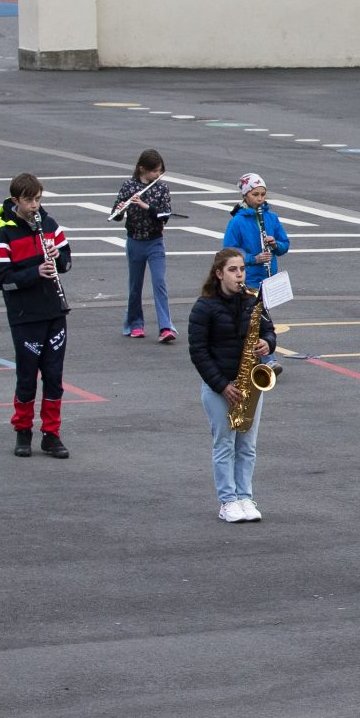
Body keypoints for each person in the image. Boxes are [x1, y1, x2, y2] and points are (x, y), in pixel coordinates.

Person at [0, 171, 74, 459]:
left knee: (54, 375)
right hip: (25, 314)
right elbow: (1, 279)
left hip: (54, 310)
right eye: (29, 201)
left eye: (38, 199)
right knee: (27, 375)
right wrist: (33, 273)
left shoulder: (50, 225)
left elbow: (66, 262)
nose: (35, 206)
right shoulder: (5, 234)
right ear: (16, 201)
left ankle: (52, 434)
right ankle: (23, 431)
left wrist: (56, 256)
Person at [186, 247, 272, 522]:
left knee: (247, 445)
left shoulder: (253, 300)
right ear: (219, 274)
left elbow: (269, 330)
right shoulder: (204, 307)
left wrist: (267, 343)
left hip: (249, 384)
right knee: (224, 444)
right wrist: (222, 385)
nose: (239, 275)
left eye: (242, 269)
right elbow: (198, 351)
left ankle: (245, 496)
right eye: (233, 270)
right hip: (221, 387)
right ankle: (227, 501)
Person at [114, 148, 176, 344]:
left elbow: (165, 214)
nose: (157, 175)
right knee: (135, 286)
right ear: (142, 169)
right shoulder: (128, 186)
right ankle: (135, 323)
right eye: (154, 171)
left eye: (159, 171)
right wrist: (119, 210)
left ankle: (165, 327)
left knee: (159, 283)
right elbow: (116, 216)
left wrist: (146, 206)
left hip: (155, 241)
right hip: (134, 241)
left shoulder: (161, 188)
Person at [222, 173, 291, 295]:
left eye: (263, 195)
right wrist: (254, 259)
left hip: (269, 278)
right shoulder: (237, 221)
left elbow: (284, 244)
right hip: (248, 280)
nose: (260, 199)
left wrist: (275, 245)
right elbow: (228, 252)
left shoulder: (271, 217)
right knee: (251, 313)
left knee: (263, 313)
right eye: (255, 194)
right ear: (245, 195)